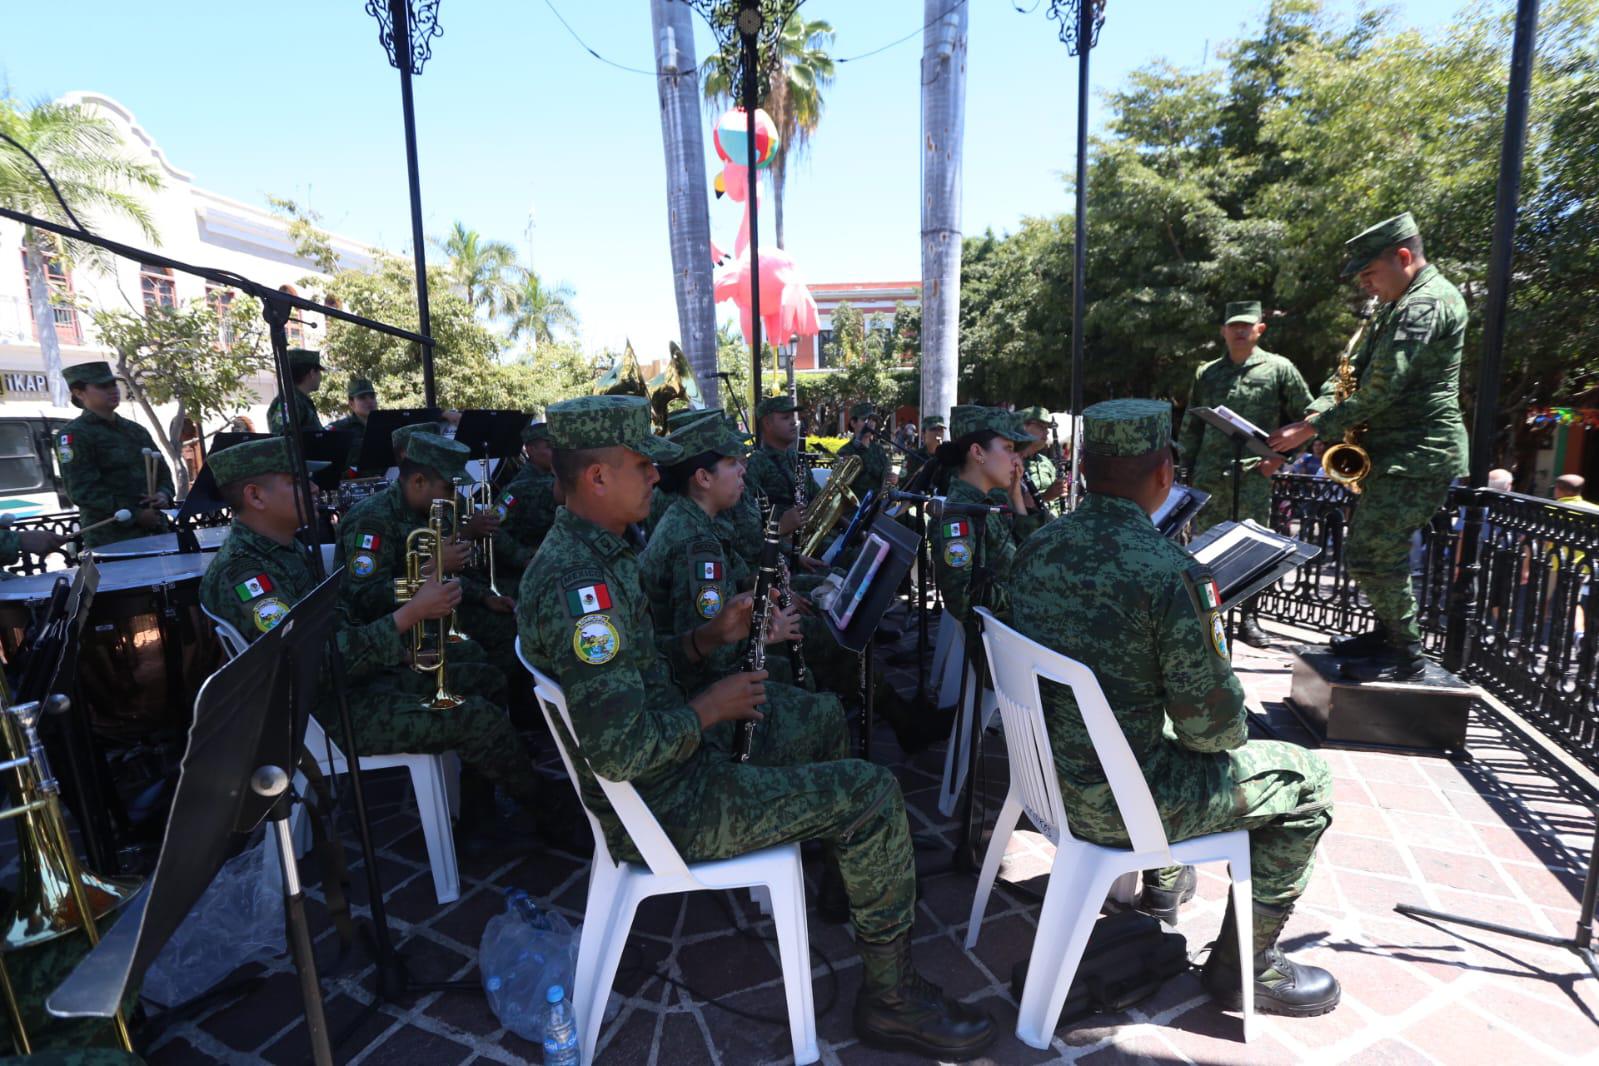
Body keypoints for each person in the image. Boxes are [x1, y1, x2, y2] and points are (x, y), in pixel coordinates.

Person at [517, 395, 995, 1059]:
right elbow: (618, 750)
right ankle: (890, 1000)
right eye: (641, 466)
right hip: (667, 800)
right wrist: (709, 707)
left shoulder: (594, 554)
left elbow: (641, 667)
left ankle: (850, 882)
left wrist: (706, 637)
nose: (658, 475)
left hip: (672, 762)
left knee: (821, 717)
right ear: (596, 478)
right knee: (873, 792)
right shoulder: (579, 588)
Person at [1010, 398, 1339, 1017]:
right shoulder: (1172, 575)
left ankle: (1166, 889)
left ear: (1082, 469)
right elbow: (1213, 733)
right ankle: (1250, 967)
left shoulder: (1038, 547)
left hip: (1045, 784)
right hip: (1117, 807)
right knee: (1309, 779)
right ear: (1164, 473)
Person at [199, 438, 547, 846]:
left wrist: (399, 640)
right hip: (326, 711)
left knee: (486, 677)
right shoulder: (246, 576)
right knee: (477, 718)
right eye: (297, 481)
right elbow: (311, 666)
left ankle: (478, 816)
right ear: (255, 496)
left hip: (357, 677)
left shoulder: (286, 550)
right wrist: (409, 615)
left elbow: (339, 615)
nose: (314, 488)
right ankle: (550, 813)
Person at [1269, 213, 1469, 680]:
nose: (1365, 285)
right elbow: (1349, 373)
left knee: (1372, 555)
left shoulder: (1426, 305)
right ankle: (1386, 637)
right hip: (1395, 454)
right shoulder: (1398, 305)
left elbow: (1382, 391)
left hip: (1419, 452)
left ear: (1403, 257)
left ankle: (1408, 656)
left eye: (1369, 273)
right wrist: (1315, 413)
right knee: (1374, 552)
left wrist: (1311, 431)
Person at [1177, 301, 1314, 646]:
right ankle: (1209, 618)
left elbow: (1308, 418)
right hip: (1210, 477)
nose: (1239, 331)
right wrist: (1185, 471)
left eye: (1246, 325)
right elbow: (1192, 426)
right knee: (1206, 550)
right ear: (1223, 331)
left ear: (1260, 329)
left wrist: (1282, 460)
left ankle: (1249, 619)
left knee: (1254, 550)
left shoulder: (1279, 368)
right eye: (1233, 325)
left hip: (1254, 476)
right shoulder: (1207, 373)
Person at [929, 406, 1037, 627]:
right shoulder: (958, 516)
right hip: (1002, 639)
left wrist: (1016, 496)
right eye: (1008, 448)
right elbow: (964, 600)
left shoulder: (990, 500)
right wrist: (1027, 595)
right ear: (978, 453)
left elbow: (1031, 551)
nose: (1017, 460)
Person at [58, 361, 175, 548]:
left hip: (156, 531)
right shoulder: (74, 435)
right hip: (113, 539)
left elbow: (162, 472)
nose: (112, 390)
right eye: (102, 386)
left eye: (113, 384)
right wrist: (135, 514)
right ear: (79, 393)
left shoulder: (135, 430)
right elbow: (82, 491)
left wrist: (163, 494)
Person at [490, 421, 559, 586]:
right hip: (523, 578)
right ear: (530, 449)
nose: (556, 453)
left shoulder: (558, 480)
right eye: (549, 447)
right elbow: (492, 529)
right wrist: (524, 557)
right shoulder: (518, 488)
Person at [742, 395, 809, 542]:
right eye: (786, 418)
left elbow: (816, 495)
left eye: (793, 417)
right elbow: (747, 516)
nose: (793, 422)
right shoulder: (756, 462)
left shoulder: (797, 457)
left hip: (807, 535)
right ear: (767, 423)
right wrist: (780, 525)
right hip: (778, 544)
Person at [837, 403, 897, 502]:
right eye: (865, 419)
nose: (871, 423)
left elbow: (887, 476)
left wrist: (893, 479)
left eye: (873, 420)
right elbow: (841, 485)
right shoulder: (845, 451)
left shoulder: (879, 449)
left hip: (878, 505)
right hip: (856, 508)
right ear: (853, 423)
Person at [1016, 406, 1069, 520]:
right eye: (1041, 427)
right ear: (1024, 426)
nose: (1047, 431)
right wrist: (1046, 496)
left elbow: (1056, 503)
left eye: (1047, 428)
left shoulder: (1045, 462)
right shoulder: (1011, 463)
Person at [266, 348, 325, 434]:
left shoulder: (298, 400)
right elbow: (281, 434)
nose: (320, 378)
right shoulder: (290, 401)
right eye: (319, 372)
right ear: (312, 373)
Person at [327, 376, 378, 473]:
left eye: (372, 397)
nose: (369, 401)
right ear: (351, 403)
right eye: (362, 398)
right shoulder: (339, 429)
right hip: (354, 483)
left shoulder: (385, 425)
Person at [901, 415, 946, 487]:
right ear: (923, 434)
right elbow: (903, 482)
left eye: (941, 429)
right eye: (933, 429)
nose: (938, 433)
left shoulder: (948, 455)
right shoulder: (914, 456)